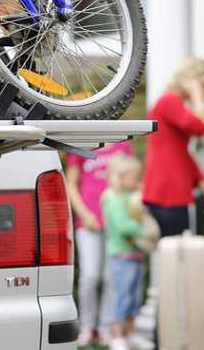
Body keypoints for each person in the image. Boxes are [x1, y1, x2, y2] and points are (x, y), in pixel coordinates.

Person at [143, 58, 204, 238]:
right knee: (176, 258)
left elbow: (182, 156)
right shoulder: (169, 101)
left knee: (174, 257)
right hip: (168, 194)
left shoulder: (172, 103)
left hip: (168, 193)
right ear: (196, 81)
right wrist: (197, 97)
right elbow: (202, 127)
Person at [65, 142, 133, 346]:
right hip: (88, 224)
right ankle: (86, 326)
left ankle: (105, 326)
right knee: (90, 275)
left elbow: (130, 179)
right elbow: (71, 184)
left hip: (115, 225)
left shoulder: (122, 145)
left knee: (111, 276)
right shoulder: (82, 144)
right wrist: (85, 215)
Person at [102, 154, 154, 350]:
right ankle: (117, 336)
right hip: (122, 257)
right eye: (134, 177)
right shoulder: (114, 199)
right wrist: (144, 230)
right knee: (122, 296)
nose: (137, 181)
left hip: (135, 256)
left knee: (135, 298)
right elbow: (123, 226)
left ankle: (131, 334)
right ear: (120, 177)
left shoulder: (130, 197)